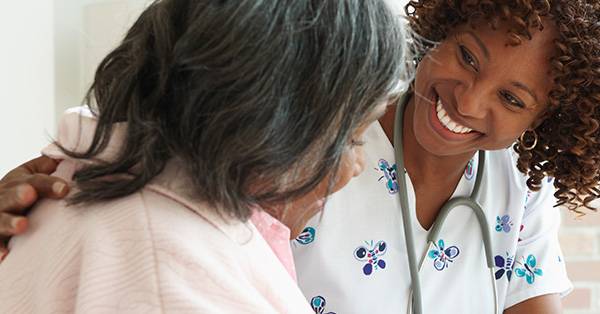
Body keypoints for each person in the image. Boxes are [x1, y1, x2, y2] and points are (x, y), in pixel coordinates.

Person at [1, 0, 598, 313]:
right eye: (466, 57)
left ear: (544, 119)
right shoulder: (313, 139)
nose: (469, 99)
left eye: (512, 98)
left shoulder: (515, 185)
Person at [0, 0, 408, 312]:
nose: (356, 168)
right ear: (270, 125)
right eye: (353, 136)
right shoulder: (169, 274)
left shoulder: (103, 184)